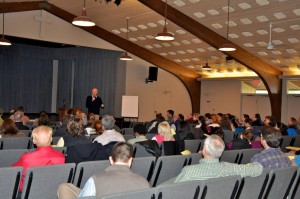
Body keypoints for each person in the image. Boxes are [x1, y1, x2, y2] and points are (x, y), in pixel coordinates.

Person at [57, 142, 150, 199]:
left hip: (95, 190)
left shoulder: (96, 180)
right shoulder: (144, 182)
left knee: (63, 188)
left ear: (110, 159)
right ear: (130, 160)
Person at [174, 135, 263, 183]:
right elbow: (258, 168)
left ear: (204, 149)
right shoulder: (232, 168)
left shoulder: (189, 171)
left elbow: (173, 191)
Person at [12, 126, 65, 193]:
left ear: (34, 141)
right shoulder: (61, 156)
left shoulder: (26, 158)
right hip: (53, 192)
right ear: (51, 139)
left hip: (29, 193)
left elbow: (14, 170)